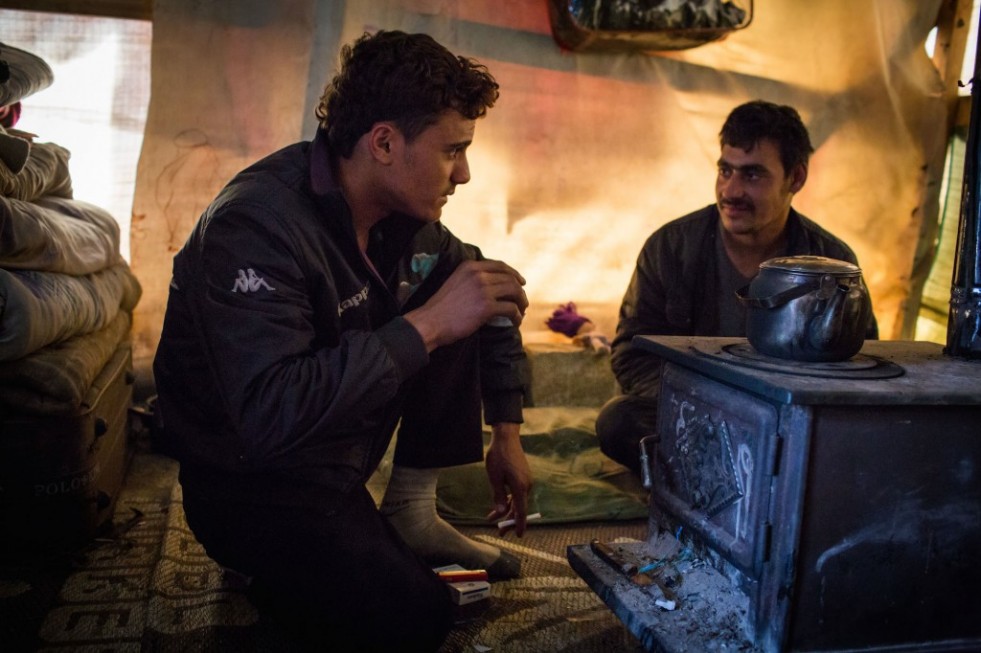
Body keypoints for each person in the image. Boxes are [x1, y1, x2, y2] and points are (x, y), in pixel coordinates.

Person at [153, 30, 533, 652]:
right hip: (255, 487)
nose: (464, 173)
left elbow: (487, 293)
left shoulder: (401, 219)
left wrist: (508, 435)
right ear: (384, 142)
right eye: (453, 151)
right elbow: (268, 415)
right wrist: (427, 324)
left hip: (335, 467)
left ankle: (409, 509)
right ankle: (260, 568)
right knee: (415, 618)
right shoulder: (255, 226)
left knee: (461, 287)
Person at [596, 100, 879, 477]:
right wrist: (716, 406)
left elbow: (861, 366)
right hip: (697, 415)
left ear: (795, 179)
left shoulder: (831, 262)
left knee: (853, 448)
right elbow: (632, 356)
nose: (731, 190)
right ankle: (741, 479)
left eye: (753, 175)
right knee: (619, 421)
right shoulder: (670, 246)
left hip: (788, 423)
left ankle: (729, 478)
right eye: (725, 170)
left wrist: (775, 415)